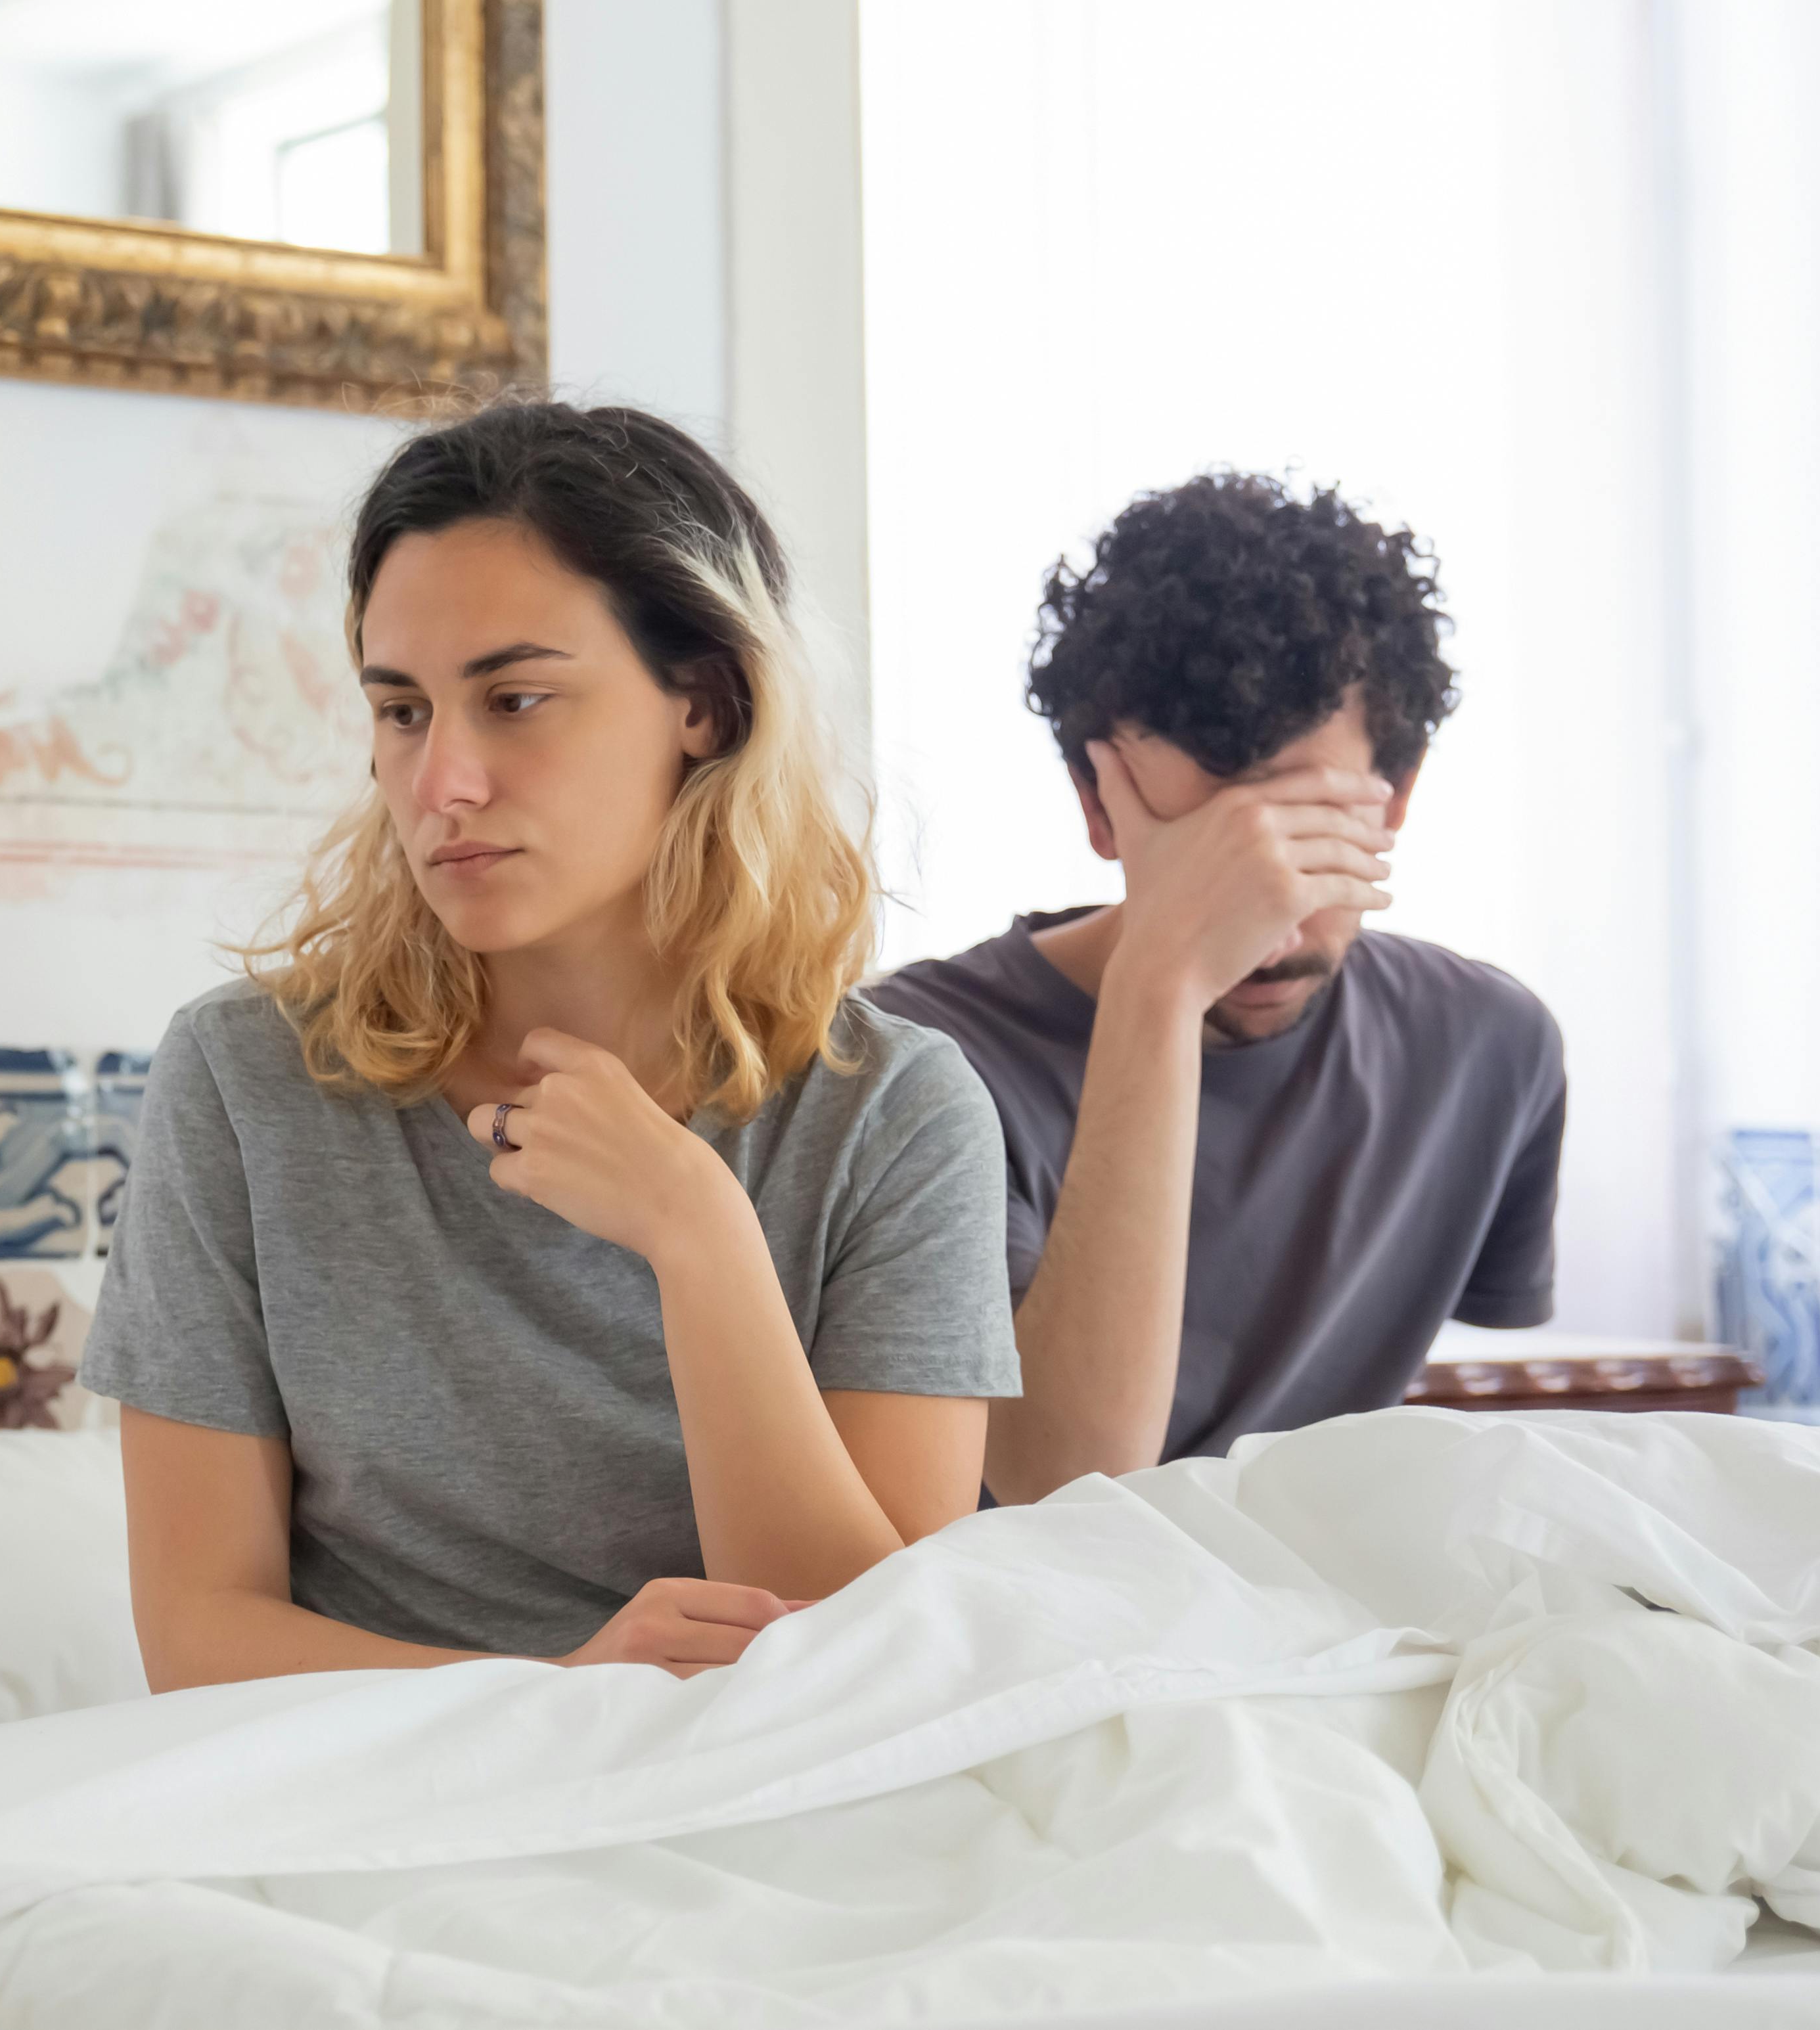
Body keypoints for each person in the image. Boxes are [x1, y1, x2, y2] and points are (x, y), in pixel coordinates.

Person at [81, 400, 1018, 1690]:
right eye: (401, 711)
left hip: (766, 1796)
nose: (441, 782)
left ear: (704, 700)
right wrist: (563, 1695)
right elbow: (195, 1638)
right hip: (371, 1791)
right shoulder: (246, 1080)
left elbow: (875, 1663)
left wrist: (696, 1233)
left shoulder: (895, 1115)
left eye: (514, 700)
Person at [869, 473, 1564, 1503]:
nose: (1267, 926)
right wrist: (1159, 982)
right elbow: (1062, 1475)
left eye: (1303, 836)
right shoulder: (907, 1058)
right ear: (1097, 810)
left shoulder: (1487, 1045)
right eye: (1212, 852)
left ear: (1396, 796)